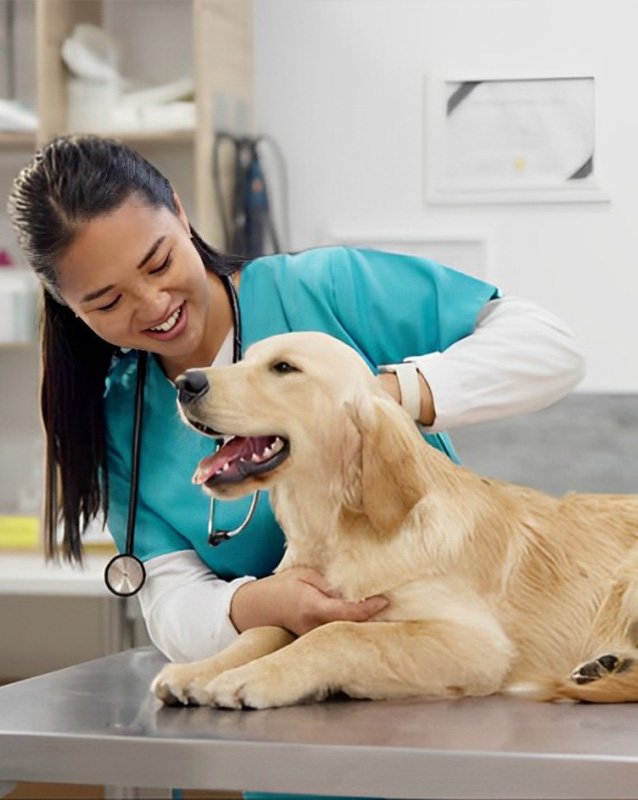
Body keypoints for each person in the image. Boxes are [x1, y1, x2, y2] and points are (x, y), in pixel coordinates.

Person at [7, 134, 585, 667]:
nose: (154, 303)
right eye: (107, 302)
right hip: (273, 717)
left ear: (180, 213)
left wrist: (371, 401)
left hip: (441, 669)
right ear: (70, 308)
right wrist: (264, 603)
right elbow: (169, 600)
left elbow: (549, 347)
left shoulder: (323, 290)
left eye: (159, 263)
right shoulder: (122, 420)